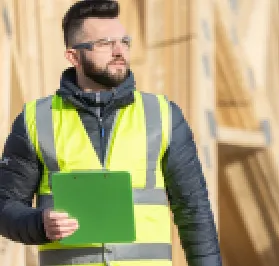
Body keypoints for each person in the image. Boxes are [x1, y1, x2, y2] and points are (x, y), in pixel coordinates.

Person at [0, 1, 221, 265]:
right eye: (105, 43)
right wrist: (38, 224)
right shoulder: (36, 119)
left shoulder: (163, 115)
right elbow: (5, 206)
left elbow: (194, 211)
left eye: (124, 41)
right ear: (73, 56)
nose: (119, 51)